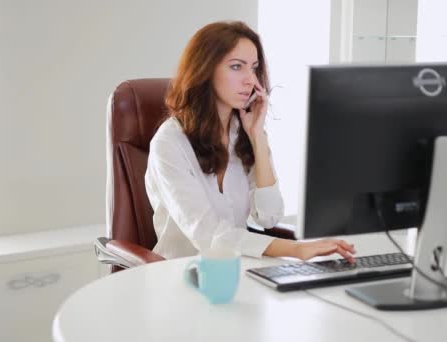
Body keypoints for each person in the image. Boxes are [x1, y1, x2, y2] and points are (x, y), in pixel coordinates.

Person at [145, 21, 356, 262]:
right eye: (236, 67)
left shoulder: (244, 133)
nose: (251, 80)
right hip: (178, 273)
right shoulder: (169, 142)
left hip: (238, 270)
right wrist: (295, 249)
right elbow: (210, 236)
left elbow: (269, 216)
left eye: (254, 68)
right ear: (204, 70)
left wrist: (257, 137)